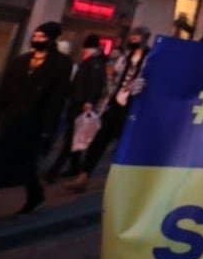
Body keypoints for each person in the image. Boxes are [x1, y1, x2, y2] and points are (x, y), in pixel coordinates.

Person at [0, 22, 72, 227]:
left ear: (52, 39)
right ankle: (35, 194)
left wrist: (48, 131)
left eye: (42, 37)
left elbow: (57, 99)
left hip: (34, 124)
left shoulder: (61, 64)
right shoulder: (20, 61)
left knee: (5, 165)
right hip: (12, 121)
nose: (37, 39)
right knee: (15, 163)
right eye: (36, 36)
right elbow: (4, 91)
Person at [64, 27, 150, 193]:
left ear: (145, 38)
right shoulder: (125, 58)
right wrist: (110, 81)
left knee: (126, 144)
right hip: (115, 104)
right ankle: (84, 176)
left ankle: (123, 182)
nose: (133, 40)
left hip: (134, 107)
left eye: (137, 37)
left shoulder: (151, 59)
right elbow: (112, 81)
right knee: (99, 140)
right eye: (132, 36)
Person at [46, 34, 107, 182]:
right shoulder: (91, 62)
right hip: (78, 102)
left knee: (71, 138)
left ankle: (54, 171)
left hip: (82, 104)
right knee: (73, 136)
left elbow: (95, 84)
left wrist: (89, 102)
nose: (84, 50)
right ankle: (74, 167)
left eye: (86, 48)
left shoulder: (95, 63)